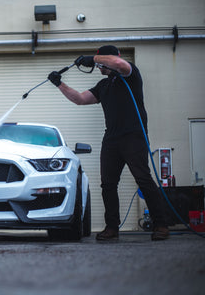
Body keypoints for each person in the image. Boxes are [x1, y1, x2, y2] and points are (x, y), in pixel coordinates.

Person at [47, 45, 169, 241]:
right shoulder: (103, 86)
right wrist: (60, 84)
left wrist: (93, 58)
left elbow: (119, 63)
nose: (98, 67)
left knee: (143, 178)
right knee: (108, 184)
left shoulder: (129, 74)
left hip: (133, 135)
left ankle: (161, 225)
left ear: (108, 59)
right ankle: (112, 227)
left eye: (101, 62)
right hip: (111, 139)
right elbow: (79, 99)